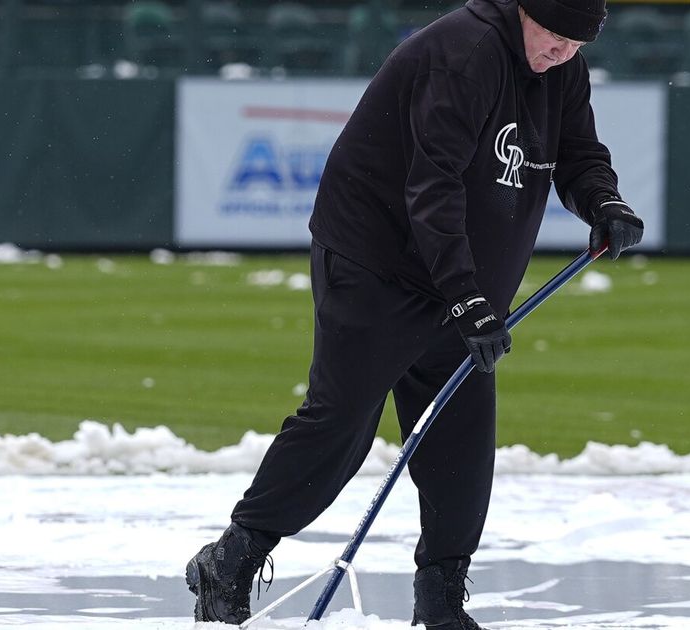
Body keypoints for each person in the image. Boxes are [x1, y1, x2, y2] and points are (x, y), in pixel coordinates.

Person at [185, 0, 643, 627]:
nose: (562, 51)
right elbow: (432, 187)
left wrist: (604, 201)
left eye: (576, 43)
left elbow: (579, 153)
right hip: (378, 259)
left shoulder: (562, 68)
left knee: (461, 436)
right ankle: (234, 556)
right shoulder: (468, 56)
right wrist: (467, 298)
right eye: (555, 35)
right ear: (524, 10)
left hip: (461, 275)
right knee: (343, 420)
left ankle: (441, 602)